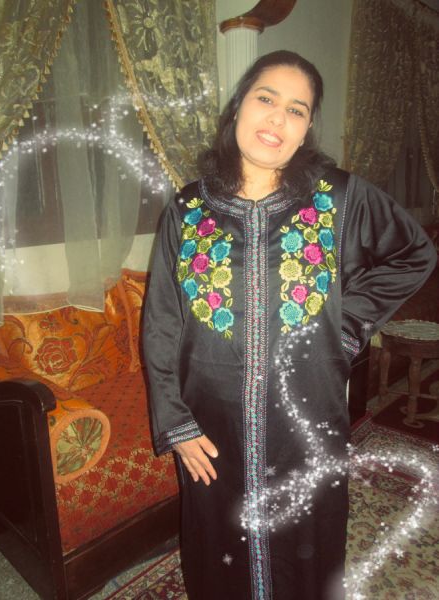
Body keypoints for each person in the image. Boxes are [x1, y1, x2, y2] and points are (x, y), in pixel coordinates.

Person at [143, 51, 436, 600]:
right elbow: (162, 319)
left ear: (306, 129)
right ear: (238, 108)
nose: (278, 118)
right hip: (211, 421)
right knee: (218, 540)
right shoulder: (187, 210)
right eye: (266, 99)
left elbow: (412, 254)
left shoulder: (338, 197)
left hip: (307, 414)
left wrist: (345, 326)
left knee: (308, 538)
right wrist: (175, 421)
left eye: (297, 110)